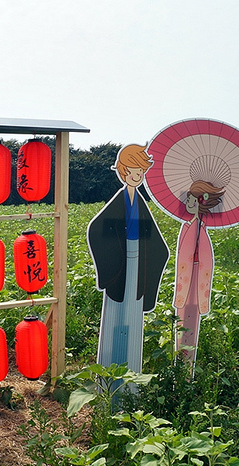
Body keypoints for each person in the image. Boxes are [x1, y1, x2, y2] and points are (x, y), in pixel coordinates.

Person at [87, 144, 169, 373]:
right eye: (132, 171)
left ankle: (131, 374)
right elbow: (96, 230)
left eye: (140, 172)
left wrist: (156, 255)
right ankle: (109, 376)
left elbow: (157, 244)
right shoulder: (119, 201)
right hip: (120, 266)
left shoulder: (140, 204)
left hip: (138, 264)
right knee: (114, 316)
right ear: (123, 172)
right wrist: (113, 260)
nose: (136, 176)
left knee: (133, 314)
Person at [173, 180, 225, 363]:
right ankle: (181, 366)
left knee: (190, 322)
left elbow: (205, 261)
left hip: (193, 282)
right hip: (185, 281)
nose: (190, 204)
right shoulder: (188, 227)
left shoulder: (200, 231)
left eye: (194, 200)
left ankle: (186, 368)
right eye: (189, 199)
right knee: (182, 323)